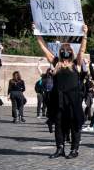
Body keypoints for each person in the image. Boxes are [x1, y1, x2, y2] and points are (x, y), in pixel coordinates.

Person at [34, 23, 88, 158]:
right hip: (58, 99)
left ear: (71, 52)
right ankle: (60, 148)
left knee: (74, 124)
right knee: (59, 123)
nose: (66, 51)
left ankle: (74, 149)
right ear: (60, 51)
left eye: (68, 49)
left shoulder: (76, 63)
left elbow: (82, 50)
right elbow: (44, 48)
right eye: (63, 49)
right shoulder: (56, 62)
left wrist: (85, 34)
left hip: (73, 99)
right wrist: (37, 33)